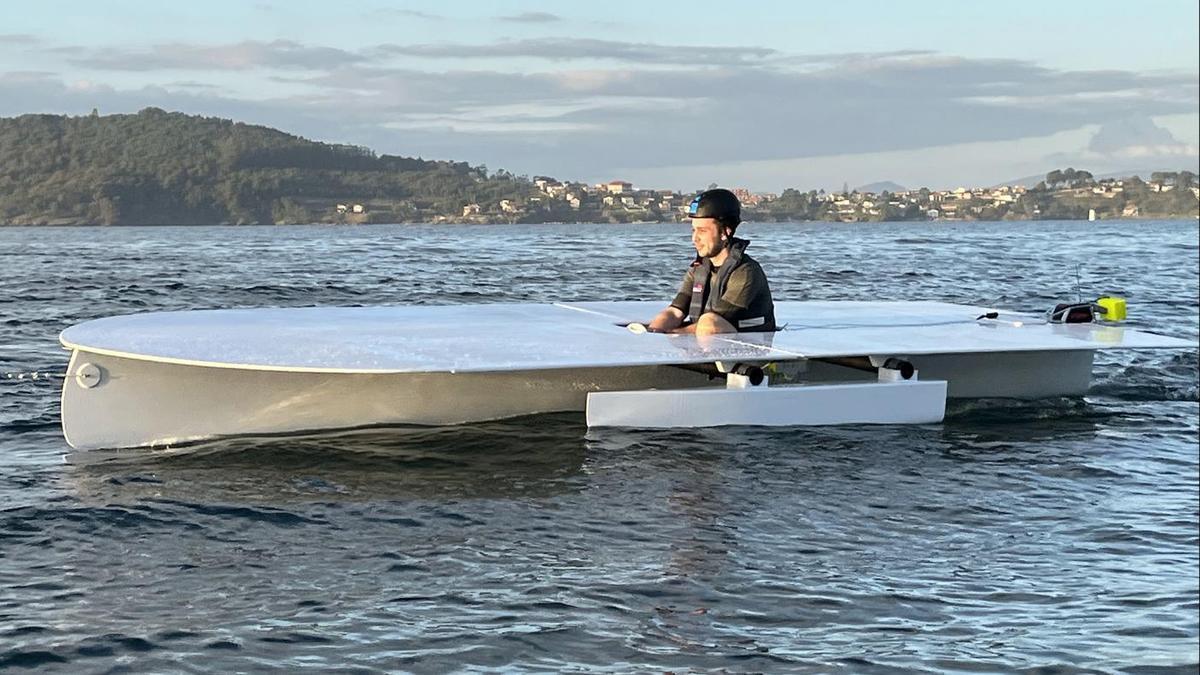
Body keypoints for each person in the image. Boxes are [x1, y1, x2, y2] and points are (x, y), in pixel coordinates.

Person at [646, 188, 775, 335]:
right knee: (664, 318)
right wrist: (655, 332)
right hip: (706, 342)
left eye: (702, 231)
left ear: (725, 232)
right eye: (693, 230)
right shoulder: (698, 269)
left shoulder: (746, 272)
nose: (694, 239)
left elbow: (712, 324)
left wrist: (671, 335)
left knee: (708, 322)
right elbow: (675, 312)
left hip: (753, 345)